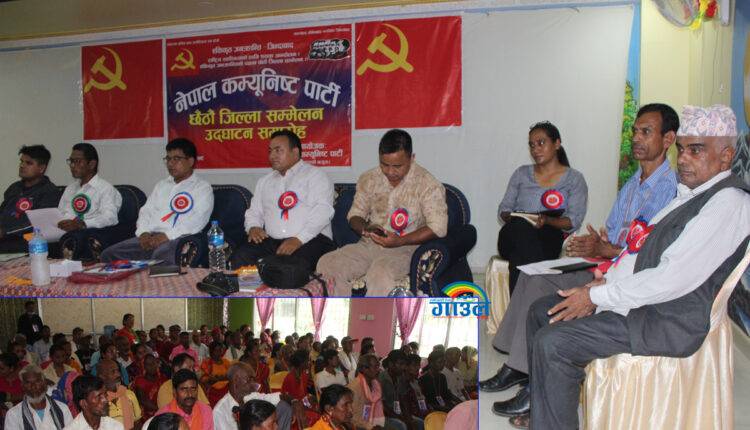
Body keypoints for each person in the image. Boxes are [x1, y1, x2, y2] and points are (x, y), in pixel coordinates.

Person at [495, 105, 750, 429]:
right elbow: (638, 250)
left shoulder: (728, 203)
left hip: (666, 318)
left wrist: (596, 297)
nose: (683, 158)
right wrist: (602, 283)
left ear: (726, 156)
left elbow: (670, 279)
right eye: (683, 149)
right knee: (541, 311)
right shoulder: (688, 195)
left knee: (553, 342)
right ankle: (545, 409)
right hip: (642, 303)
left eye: (695, 150)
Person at [481, 104, 681, 396]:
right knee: (532, 274)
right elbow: (613, 231)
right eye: (635, 131)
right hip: (605, 259)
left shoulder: (669, 189)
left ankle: (523, 369)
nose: (636, 138)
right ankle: (516, 362)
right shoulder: (632, 185)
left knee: (539, 280)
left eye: (646, 132)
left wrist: (606, 249)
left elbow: (647, 250)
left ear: (668, 139)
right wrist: (595, 244)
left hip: (625, 272)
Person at [317, 129, 448, 296]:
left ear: (411, 158)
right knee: (327, 263)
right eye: (384, 164)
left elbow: (438, 228)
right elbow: (355, 215)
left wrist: (400, 241)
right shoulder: (369, 178)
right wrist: (366, 228)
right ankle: (344, 311)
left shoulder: (428, 184)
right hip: (369, 245)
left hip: (406, 248)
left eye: (397, 166)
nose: (390, 172)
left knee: (380, 272)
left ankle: (378, 314)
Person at [496, 121, 588, 294]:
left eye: (541, 143)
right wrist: (516, 216)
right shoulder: (521, 173)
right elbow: (504, 209)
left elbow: (573, 221)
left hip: (548, 238)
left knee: (520, 256)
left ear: (557, 143)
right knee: (522, 228)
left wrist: (546, 220)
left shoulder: (574, 179)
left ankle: (519, 304)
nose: (535, 149)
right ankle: (536, 297)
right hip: (512, 234)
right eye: (532, 145)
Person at [230, 129, 336, 271]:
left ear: (295, 152)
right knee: (240, 257)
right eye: (270, 151)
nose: (272, 156)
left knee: (289, 268)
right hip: (272, 242)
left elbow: (323, 212)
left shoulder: (316, 176)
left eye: (278, 150)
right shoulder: (264, 181)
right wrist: (253, 227)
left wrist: (299, 239)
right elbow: (254, 211)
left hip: (312, 239)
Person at [101, 138, 213, 265]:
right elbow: (146, 211)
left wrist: (166, 236)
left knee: (159, 257)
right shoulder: (161, 185)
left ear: (191, 161)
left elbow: (198, 220)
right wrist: (143, 232)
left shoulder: (201, 188)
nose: (170, 163)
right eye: (168, 159)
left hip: (177, 238)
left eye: (176, 159)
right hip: (150, 237)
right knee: (109, 255)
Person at [57, 142, 122, 260]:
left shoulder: (105, 188)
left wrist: (83, 224)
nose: (72, 165)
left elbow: (110, 218)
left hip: (89, 235)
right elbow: (60, 213)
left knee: (75, 239)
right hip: (65, 234)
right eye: (71, 161)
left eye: (77, 161)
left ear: (92, 164)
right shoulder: (70, 189)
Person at [0, 145, 59, 253]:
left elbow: (38, 224)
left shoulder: (50, 192)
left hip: (27, 242)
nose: (22, 165)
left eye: (28, 163)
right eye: (21, 161)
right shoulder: (14, 187)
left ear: (41, 168)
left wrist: (5, 231)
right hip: (4, 239)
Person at [213, 362, 293, 430]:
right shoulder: (220, 412)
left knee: (284, 406)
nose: (253, 384)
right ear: (236, 380)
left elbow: (274, 397)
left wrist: (294, 402)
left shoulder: (250, 396)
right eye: (249, 379)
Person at [4, 364, 73, 429]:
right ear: (22, 386)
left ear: (44, 383)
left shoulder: (62, 408)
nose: (33, 386)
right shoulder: (13, 414)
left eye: (37, 381)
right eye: (28, 383)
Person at [378, 350, 419, 430]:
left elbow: (402, 400)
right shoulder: (382, 379)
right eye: (400, 364)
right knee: (401, 426)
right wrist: (399, 418)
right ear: (391, 364)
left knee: (418, 422)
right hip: (382, 416)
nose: (403, 367)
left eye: (404, 364)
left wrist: (407, 417)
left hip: (397, 413)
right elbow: (382, 405)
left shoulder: (400, 378)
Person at [97, 359, 141, 429]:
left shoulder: (129, 394)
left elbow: (138, 421)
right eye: (113, 371)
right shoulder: (97, 401)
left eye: (118, 371)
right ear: (102, 377)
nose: (118, 374)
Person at [348, 354, 387, 430]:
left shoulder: (375, 384)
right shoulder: (354, 387)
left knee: (398, 425)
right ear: (365, 369)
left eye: (378, 366)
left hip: (374, 420)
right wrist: (370, 427)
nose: (378, 369)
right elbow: (351, 417)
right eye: (375, 367)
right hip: (359, 425)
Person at [281, 350, 319, 427]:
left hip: (303, 403)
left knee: (318, 408)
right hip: (294, 408)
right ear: (302, 363)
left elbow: (306, 392)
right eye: (307, 360)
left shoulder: (303, 374)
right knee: (316, 416)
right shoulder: (290, 378)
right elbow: (286, 399)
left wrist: (309, 402)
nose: (309, 362)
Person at [132, 354, 167, 422]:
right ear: (144, 366)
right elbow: (143, 401)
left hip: (163, 411)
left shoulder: (162, 378)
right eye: (148, 364)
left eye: (153, 363)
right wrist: (161, 409)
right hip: (148, 415)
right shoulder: (140, 381)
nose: (152, 366)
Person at [200, 341, 230, 405]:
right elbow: (203, 379)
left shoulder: (226, 362)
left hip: (227, 391)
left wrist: (218, 378)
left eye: (220, 350)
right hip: (213, 392)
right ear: (211, 352)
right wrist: (214, 379)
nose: (219, 353)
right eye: (216, 351)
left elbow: (231, 375)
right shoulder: (207, 363)